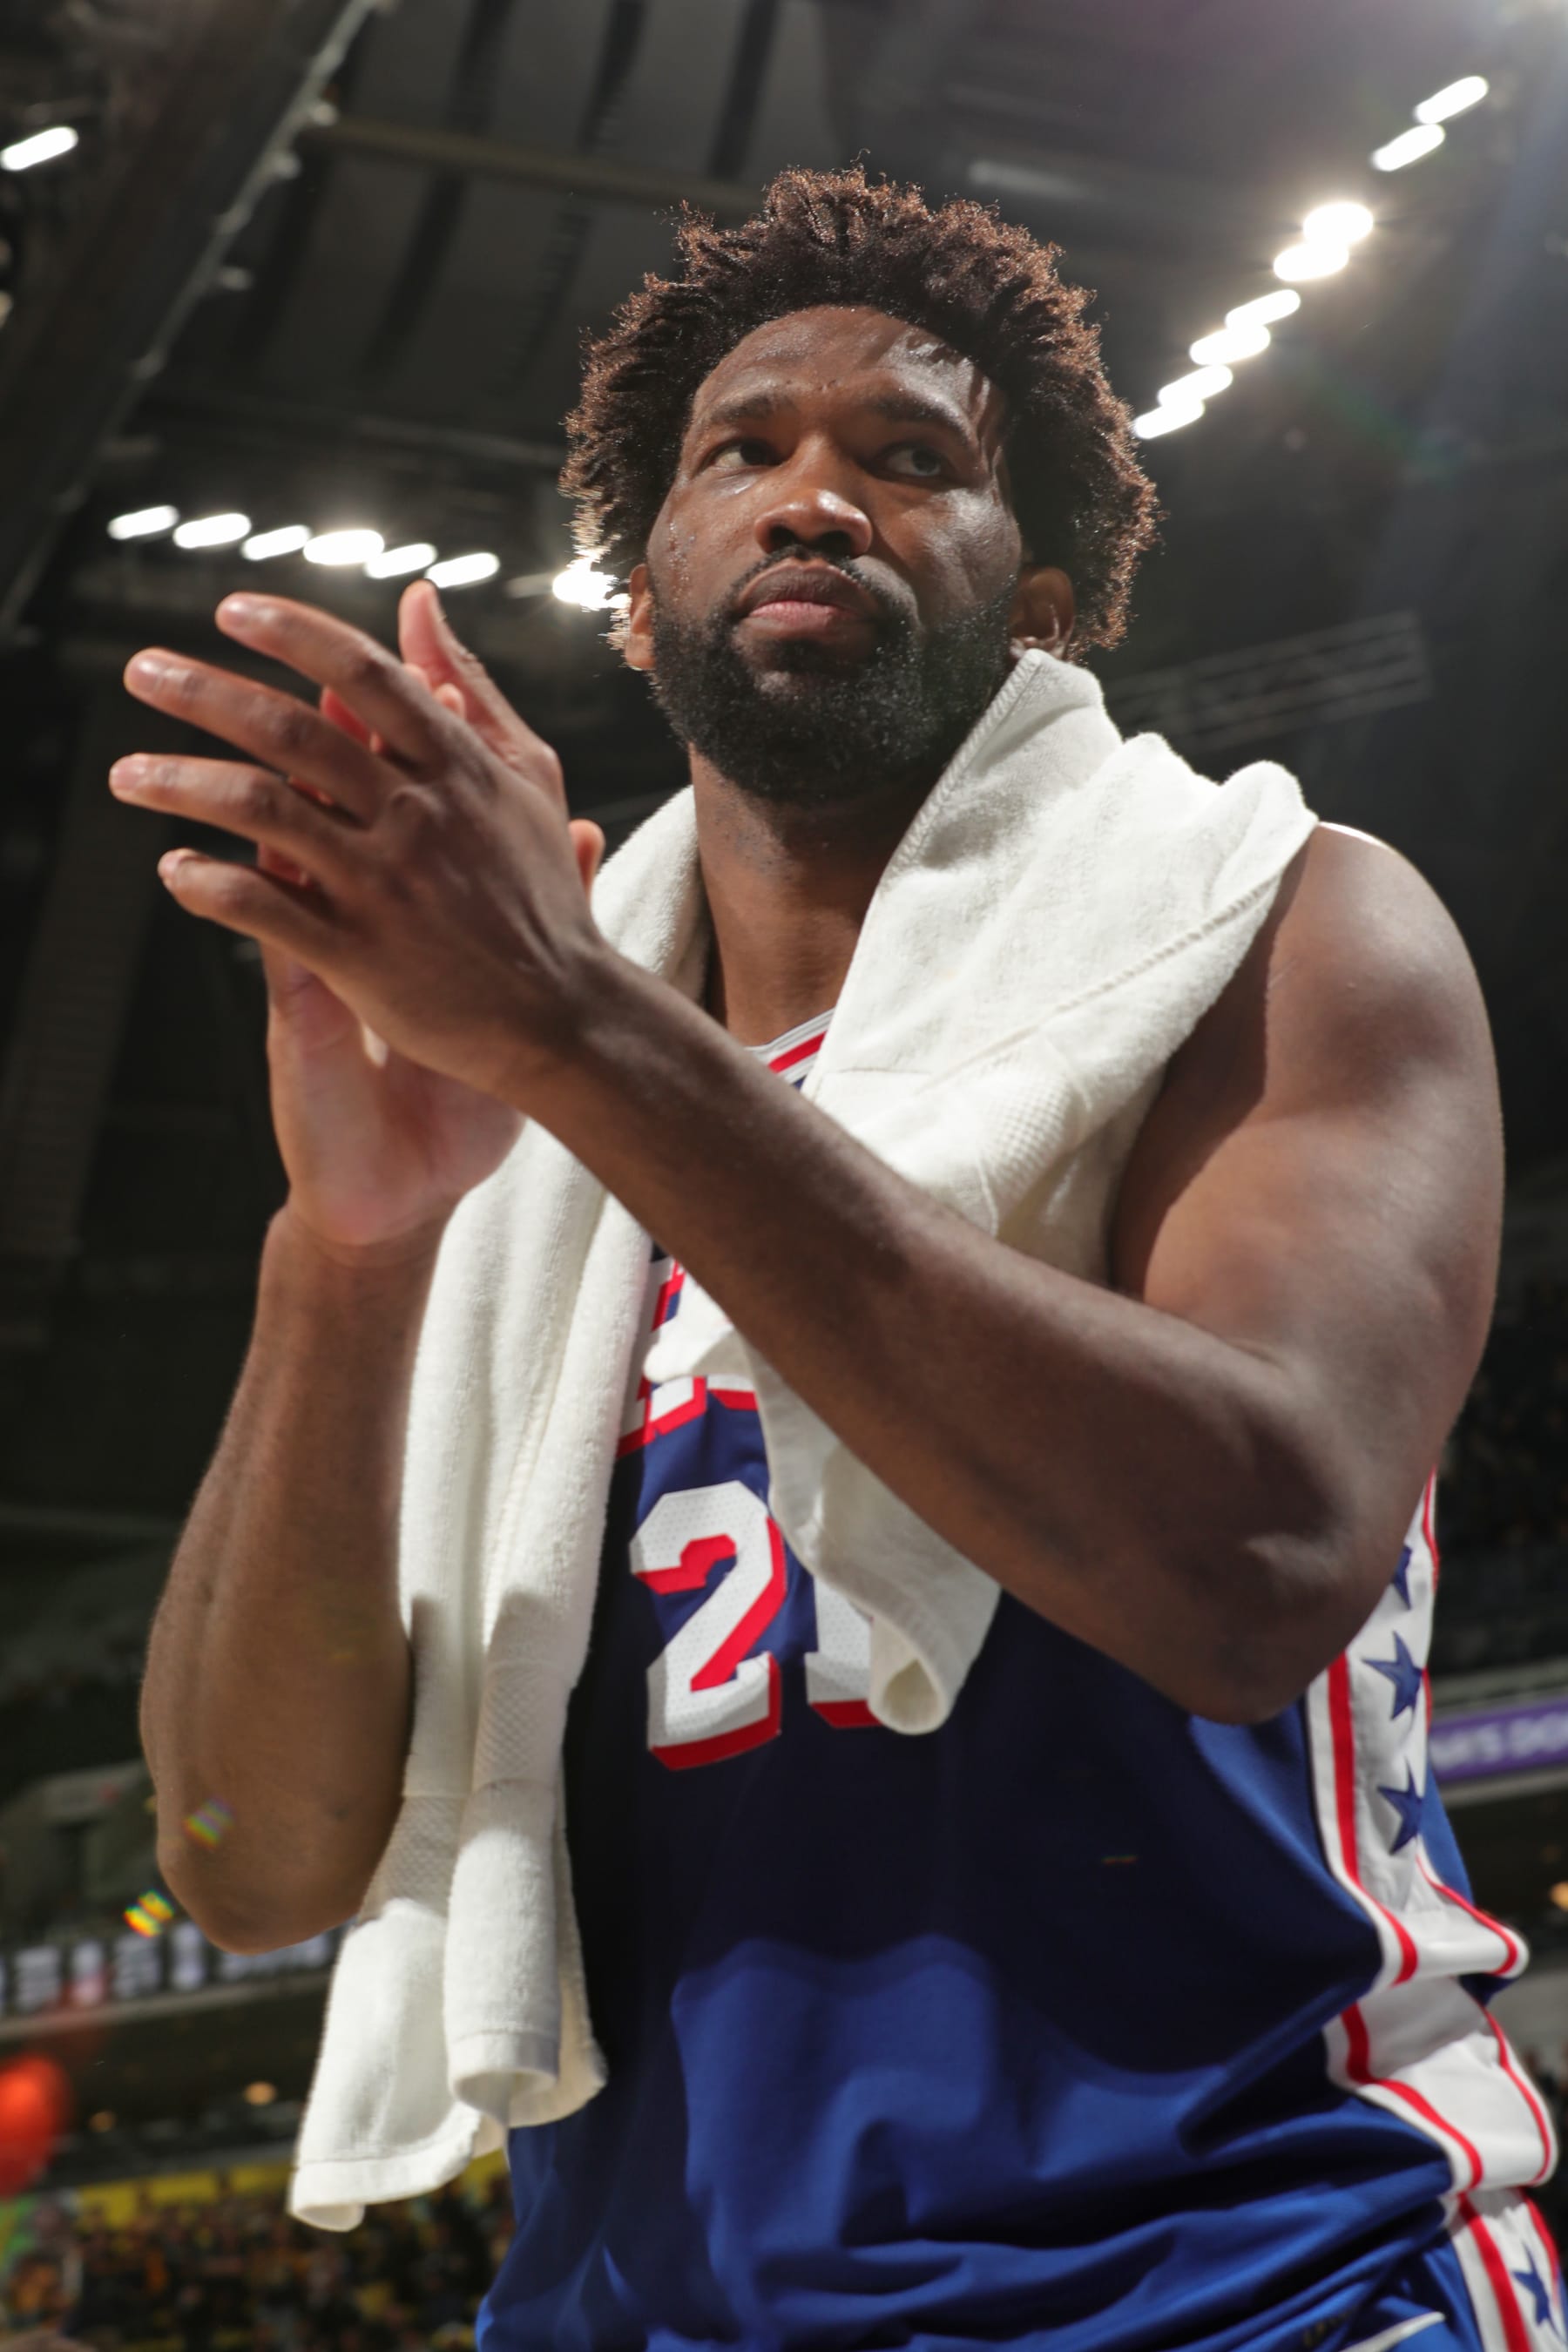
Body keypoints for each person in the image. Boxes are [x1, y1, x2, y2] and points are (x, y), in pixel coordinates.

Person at [126, 168, 1560, 2349]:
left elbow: (1254, 1565)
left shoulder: (1278, 924)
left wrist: (574, 1033)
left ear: (1046, 602)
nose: (815, 500)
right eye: (744, 453)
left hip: (1255, 2275)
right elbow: (252, 1855)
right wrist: (347, 1243)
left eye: (911, 460)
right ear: (636, 604)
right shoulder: (509, 1106)